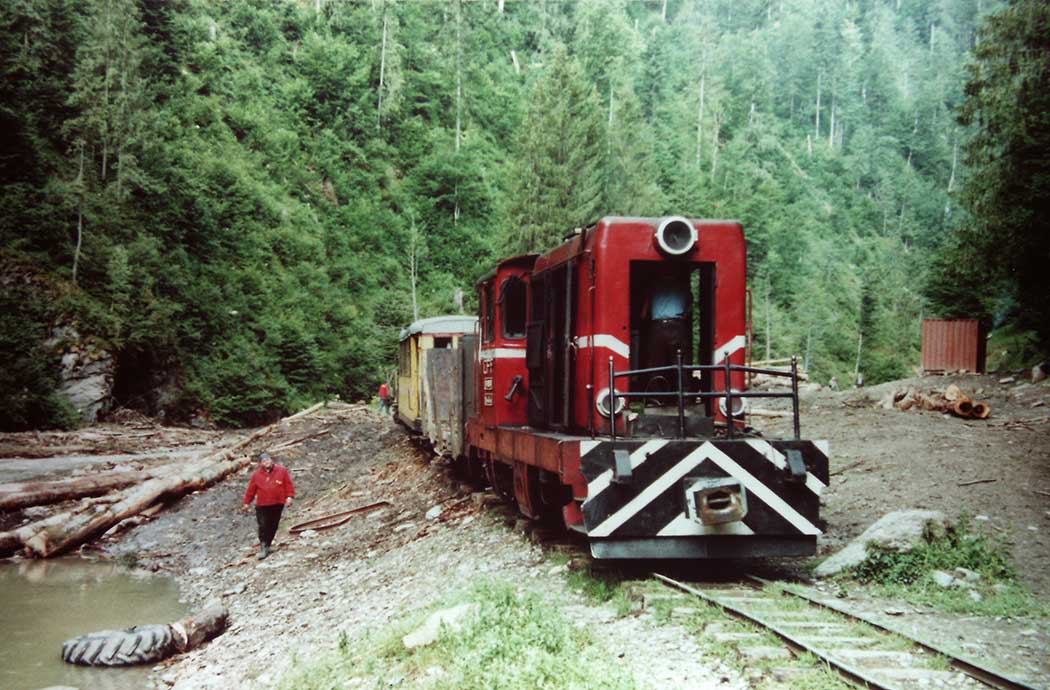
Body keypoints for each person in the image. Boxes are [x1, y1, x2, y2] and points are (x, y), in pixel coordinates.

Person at [241, 452, 295, 560]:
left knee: (273, 525)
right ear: (260, 463)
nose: (267, 462)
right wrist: (246, 503)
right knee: (263, 525)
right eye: (264, 461)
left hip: (277, 502)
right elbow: (251, 490)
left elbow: (288, 485)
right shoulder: (256, 475)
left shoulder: (281, 471)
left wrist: (289, 497)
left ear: (271, 460)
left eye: (268, 460)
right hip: (263, 504)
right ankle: (263, 546)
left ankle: (268, 545)